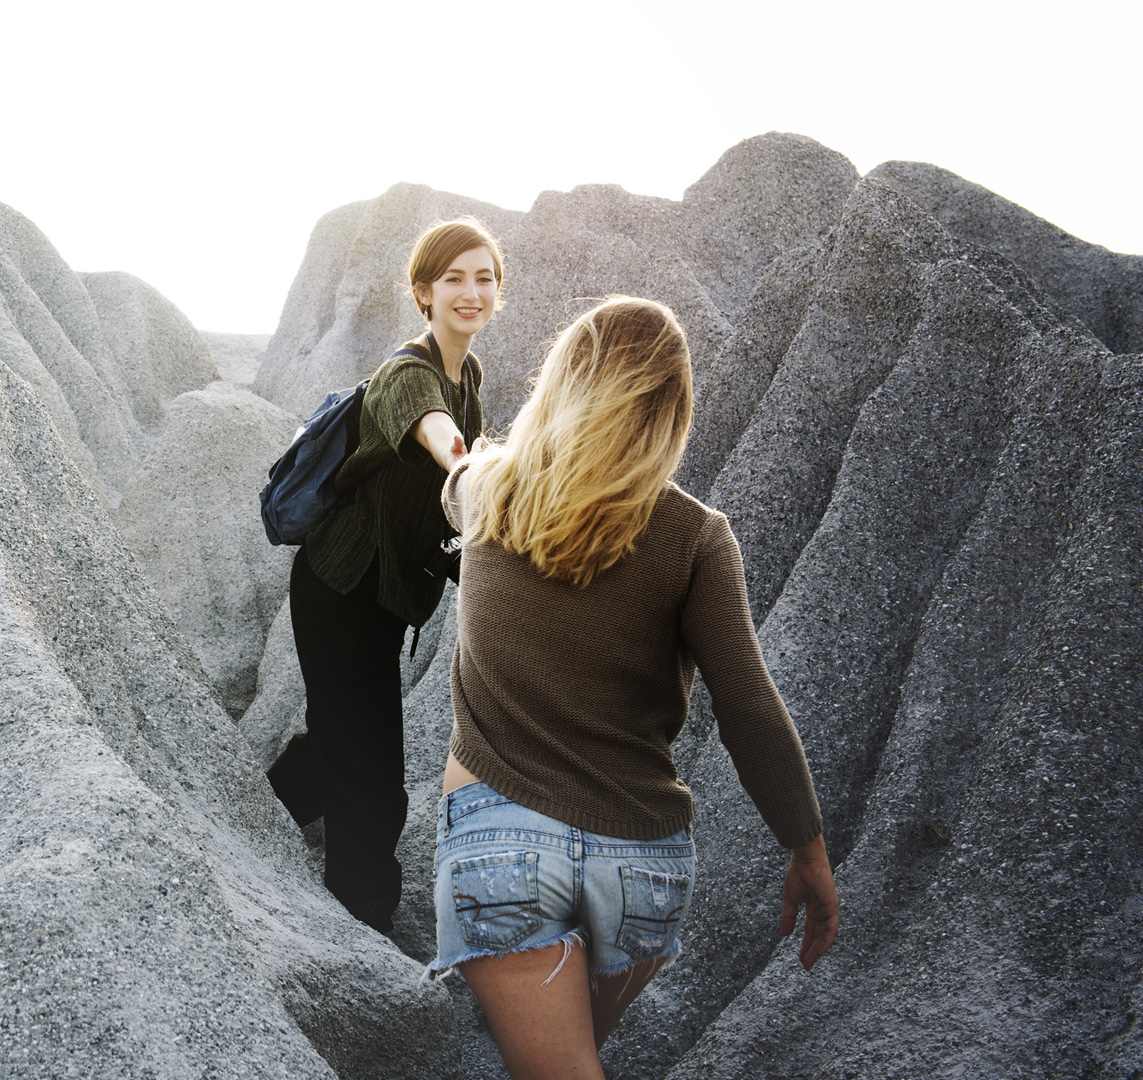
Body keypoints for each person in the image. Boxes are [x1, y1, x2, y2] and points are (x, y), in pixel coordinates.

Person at [429, 296, 839, 1077]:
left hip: (501, 845)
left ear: (559, 381)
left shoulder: (485, 491)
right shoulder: (698, 539)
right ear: (672, 410)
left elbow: (457, 477)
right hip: (642, 869)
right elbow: (749, 709)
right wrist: (809, 851)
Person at [267, 217, 501, 933]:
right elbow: (437, 434)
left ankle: (251, 815)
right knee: (375, 781)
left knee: (343, 736)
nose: (471, 291)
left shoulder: (470, 376)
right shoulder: (411, 374)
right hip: (341, 593)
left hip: (380, 603)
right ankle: (361, 921)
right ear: (423, 292)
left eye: (484, 277)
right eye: (454, 278)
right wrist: (468, 468)